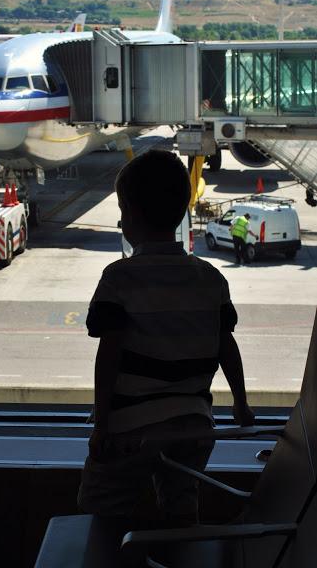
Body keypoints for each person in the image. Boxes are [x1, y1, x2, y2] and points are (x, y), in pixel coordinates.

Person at [78, 149, 254, 526]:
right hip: (194, 425)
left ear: (130, 215)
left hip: (132, 427)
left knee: (102, 508)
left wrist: (102, 423)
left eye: (122, 210)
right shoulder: (211, 278)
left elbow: (109, 354)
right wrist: (241, 404)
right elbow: (227, 346)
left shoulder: (119, 277)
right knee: (182, 507)